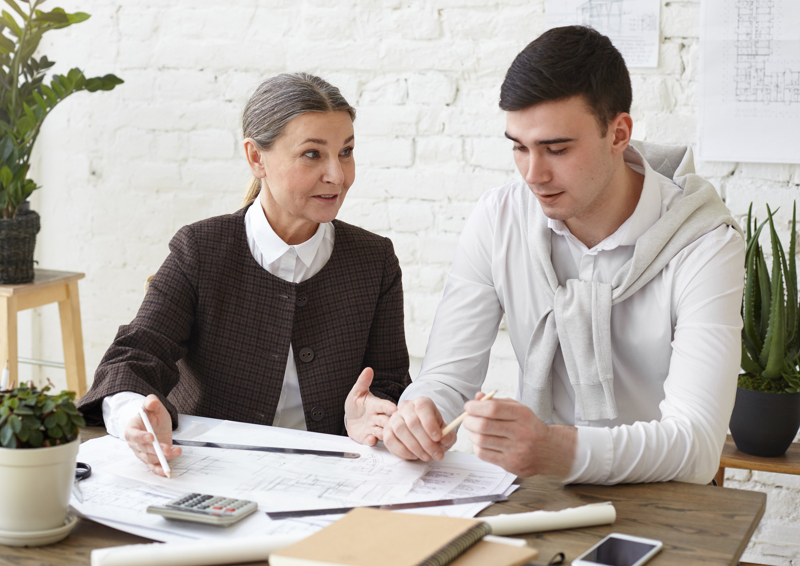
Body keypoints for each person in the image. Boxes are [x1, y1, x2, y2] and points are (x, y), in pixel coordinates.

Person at [383, 26, 745, 485]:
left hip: (663, 498)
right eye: (519, 147)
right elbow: (448, 381)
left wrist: (560, 450)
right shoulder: (499, 219)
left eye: (556, 149)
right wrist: (421, 413)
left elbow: (695, 444)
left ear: (618, 134)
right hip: (531, 490)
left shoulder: (704, 244)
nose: (533, 174)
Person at [78, 73, 410, 476]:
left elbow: (390, 380)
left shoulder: (374, 260)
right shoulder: (200, 250)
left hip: (333, 473)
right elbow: (134, 357)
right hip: (210, 471)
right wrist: (137, 417)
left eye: (346, 152)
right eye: (312, 154)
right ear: (256, 158)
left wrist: (370, 418)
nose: (337, 176)